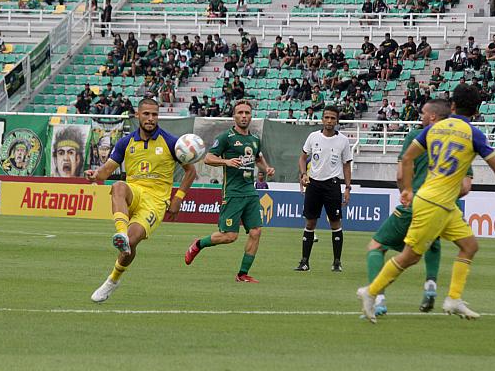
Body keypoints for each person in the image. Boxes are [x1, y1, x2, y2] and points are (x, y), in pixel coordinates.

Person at [358, 85, 495, 323]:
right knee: (410, 257)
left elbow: (407, 158)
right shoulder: (474, 134)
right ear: (477, 110)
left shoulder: (435, 128)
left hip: (440, 202)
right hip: (434, 204)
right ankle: (370, 292)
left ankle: (453, 299)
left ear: (452, 106)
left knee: (470, 246)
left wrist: (408, 189)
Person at [366, 99, 473, 317]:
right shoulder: (463, 141)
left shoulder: (415, 137)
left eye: (423, 112)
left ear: (433, 116)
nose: (421, 115)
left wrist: (405, 191)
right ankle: (431, 286)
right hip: (443, 206)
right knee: (437, 242)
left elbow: (400, 173)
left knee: (377, 246)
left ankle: (377, 299)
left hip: (417, 201)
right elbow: (465, 187)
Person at [86, 98, 196, 303]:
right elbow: (106, 172)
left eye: (154, 114)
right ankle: (120, 232)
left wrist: (178, 198)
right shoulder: (126, 142)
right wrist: (95, 175)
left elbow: (191, 172)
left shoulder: (171, 142)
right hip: (135, 190)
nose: (150, 118)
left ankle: (113, 280)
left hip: (155, 201)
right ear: (138, 115)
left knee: (132, 241)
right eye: (146, 114)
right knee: (118, 186)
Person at [185, 101, 275, 282]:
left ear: (251, 116)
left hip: (250, 192)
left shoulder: (255, 139)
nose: (244, 116)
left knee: (256, 232)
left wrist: (266, 168)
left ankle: (242, 274)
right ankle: (198, 244)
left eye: (247, 113)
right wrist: (226, 162)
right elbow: (209, 158)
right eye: (240, 112)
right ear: (234, 116)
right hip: (233, 192)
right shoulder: (226, 137)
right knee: (229, 236)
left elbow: (257, 158)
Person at [296, 105, 353, 272]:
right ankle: (304, 262)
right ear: (322, 119)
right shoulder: (313, 136)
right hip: (314, 184)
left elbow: (347, 165)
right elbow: (302, 158)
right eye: (326, 117)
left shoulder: (343, 140)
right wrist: (303, 174)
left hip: (332, 185)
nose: (329, 121)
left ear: (337, 120)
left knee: (335, 223)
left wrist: (348, 188)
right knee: (310, 222)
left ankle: (337, 262)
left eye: (332, 118)